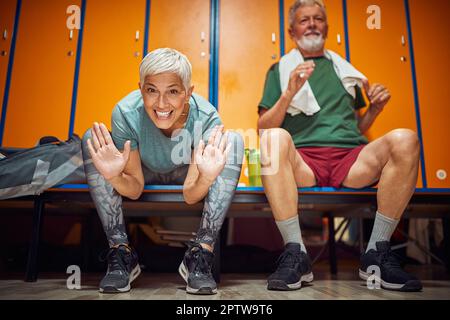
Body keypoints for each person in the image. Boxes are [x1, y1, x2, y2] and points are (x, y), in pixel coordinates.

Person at [258, 0, 422, 292]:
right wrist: (289, 93)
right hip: (304, 160)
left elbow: (355, 128)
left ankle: (377, 253)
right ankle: (296, 253)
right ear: (291, 30)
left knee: (406, 138)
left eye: (318, 19)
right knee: (272, 139)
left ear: (327, 27)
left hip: (351, 158)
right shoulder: (279, 70)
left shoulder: (347, 72)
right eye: (304, 19)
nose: (312, 24)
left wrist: (375, 110)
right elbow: (264, 126)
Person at [81, 48, 244, 295]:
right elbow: (135, 188)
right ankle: (121, 252)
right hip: (143, 171)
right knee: (92, 140)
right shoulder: (125, 113)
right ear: (141, 89)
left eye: (173, 91)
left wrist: (208, 177)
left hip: (183, 175)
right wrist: (113, 174)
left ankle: (200, 256)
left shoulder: (206, 117)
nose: (161, 103)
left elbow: (190, 194)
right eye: (151, 90)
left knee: (233, 140)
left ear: (188, 93)